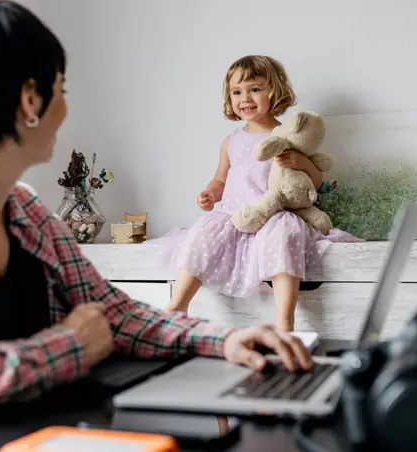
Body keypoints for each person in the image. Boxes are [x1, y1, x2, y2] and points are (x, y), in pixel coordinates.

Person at [0, 2, 313, 445]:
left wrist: (223, 341)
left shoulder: (26, 211)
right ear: (30, 99)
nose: (65, 108)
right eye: (61, 89)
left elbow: (112, 314)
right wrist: (65, 349)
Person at [152, 55, 359, 331]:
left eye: (255, 89)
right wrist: (211, 194)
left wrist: (303, 163)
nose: (245, 98)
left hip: (273, 213)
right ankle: (178, 305)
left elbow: (316, 181)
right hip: (236, 215)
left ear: (274, 91)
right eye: (237, 92)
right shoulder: (231, 141)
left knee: (285, 235)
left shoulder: (286, 136)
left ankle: (285, 319)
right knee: (203, 233)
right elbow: (220, 179)